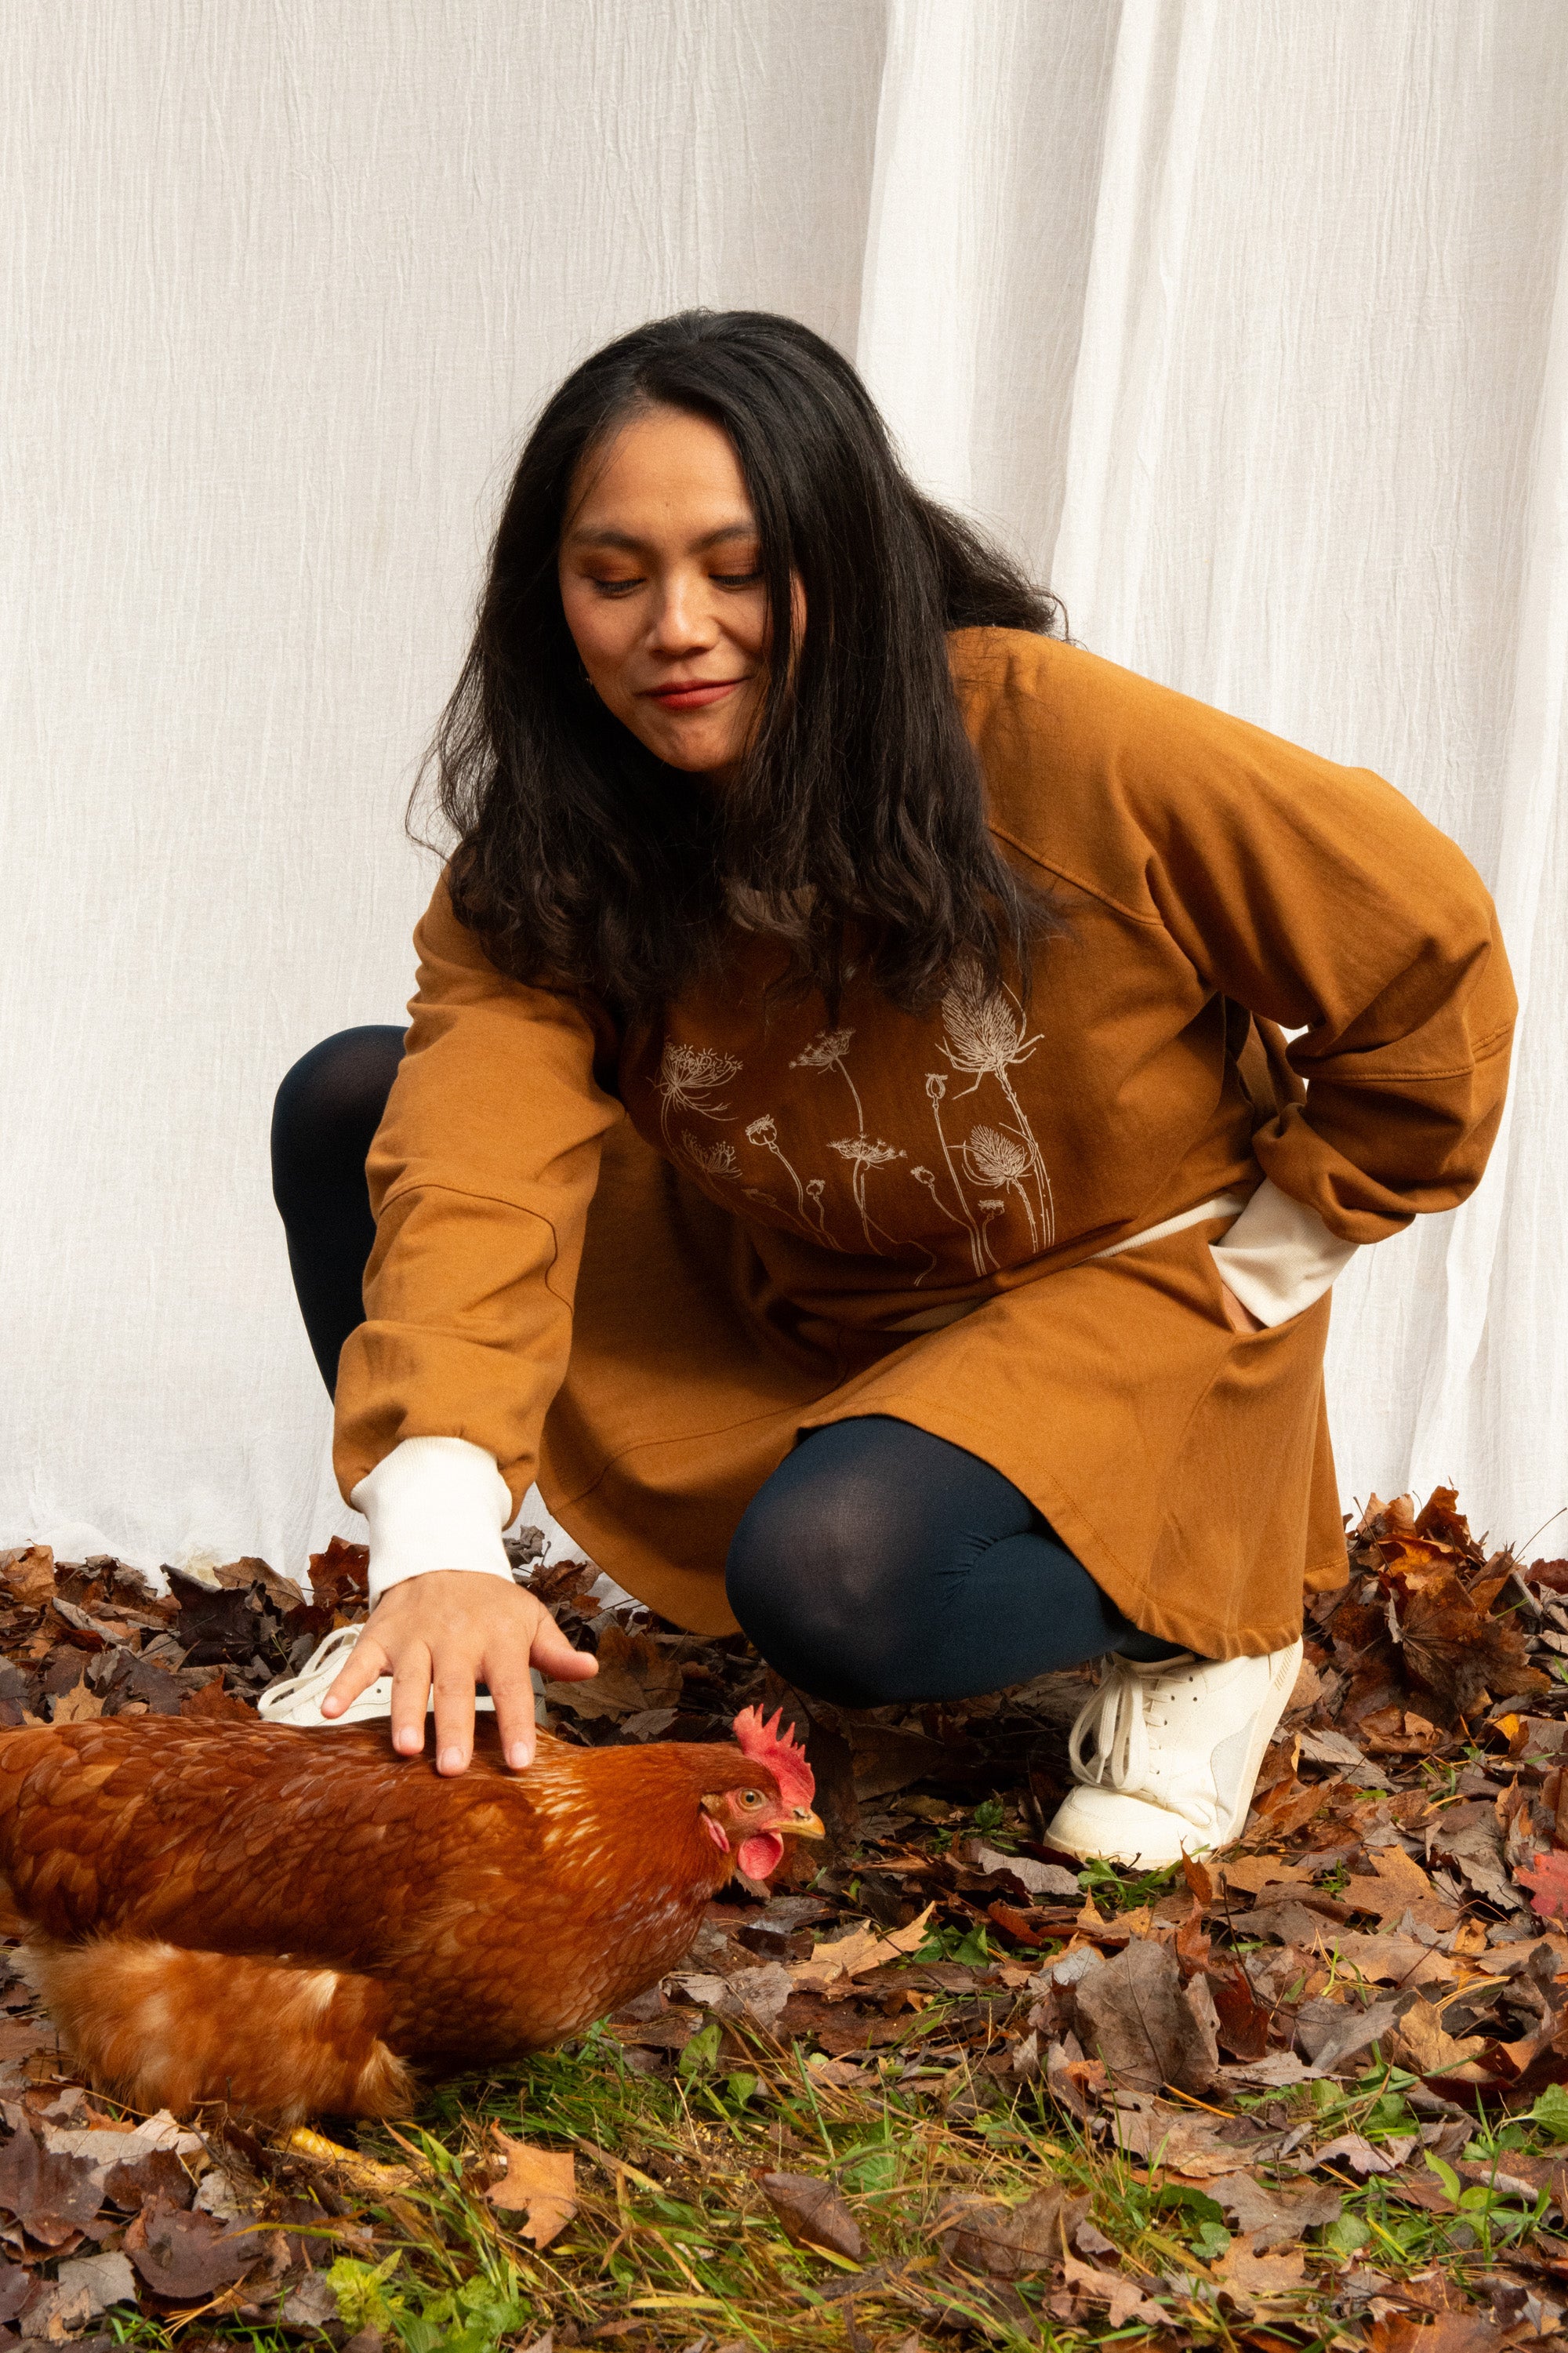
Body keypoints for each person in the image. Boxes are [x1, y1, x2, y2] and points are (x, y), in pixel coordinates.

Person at [267, 309, 1515, 1868]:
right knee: (358, 1103)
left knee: (837, 1581)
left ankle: (1204, 1621)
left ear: (841, 566)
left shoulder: (1050, 744)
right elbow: (477, 1167)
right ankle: (451, 1634)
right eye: (614, 574)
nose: (676, 626)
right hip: (795, 1293)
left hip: (1117, 1305)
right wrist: (437, 1541)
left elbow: (1421, 948)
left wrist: (1279, 1251)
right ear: (549, 598)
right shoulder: (561, 849)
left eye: (737, 568)